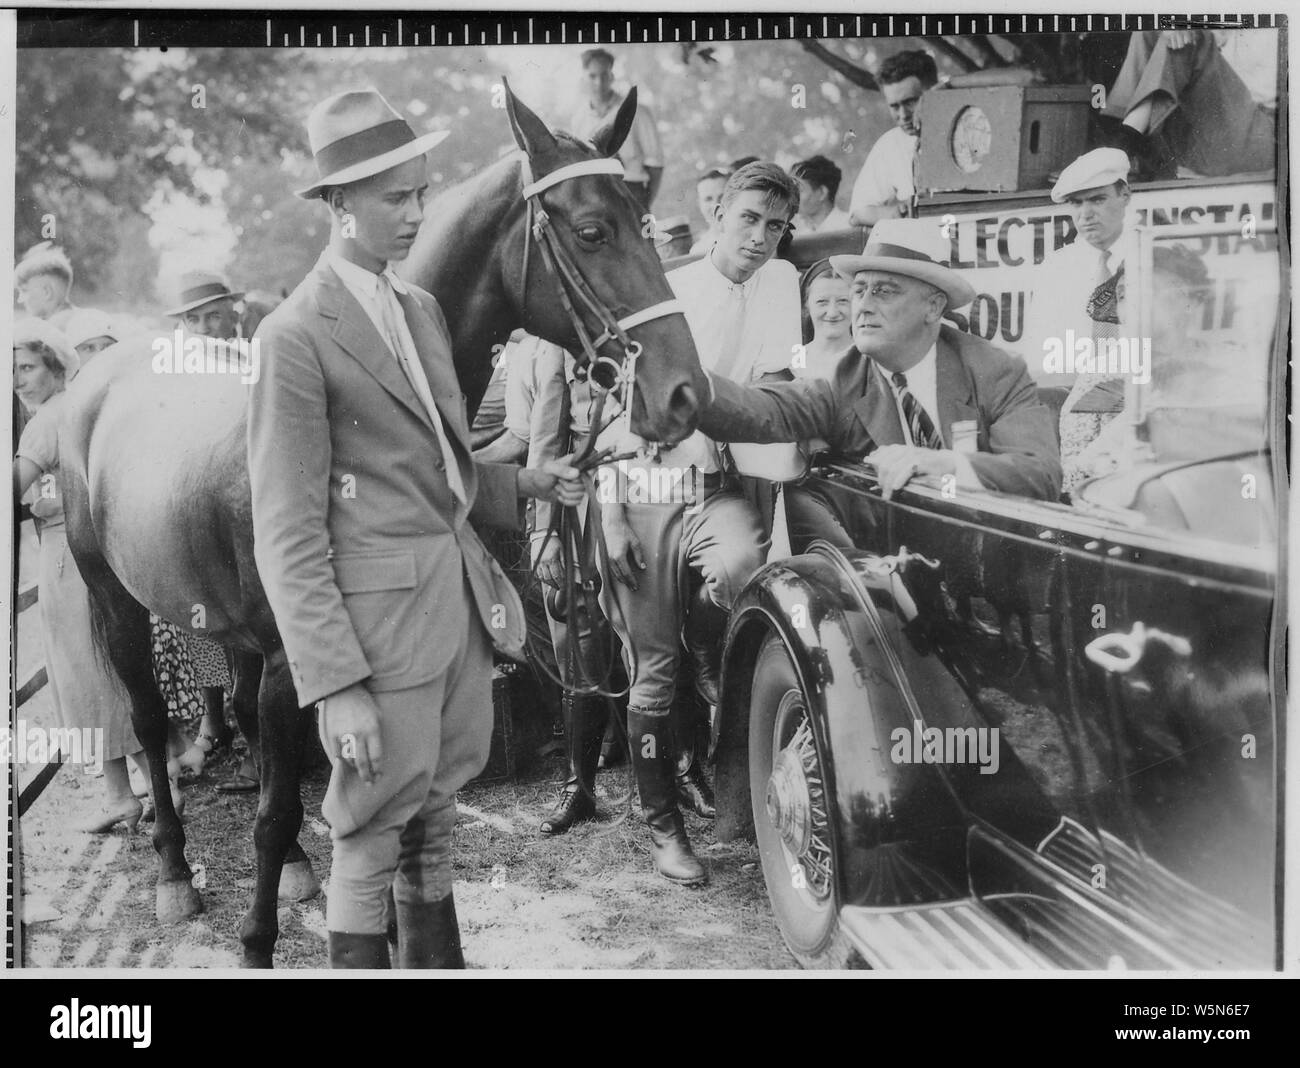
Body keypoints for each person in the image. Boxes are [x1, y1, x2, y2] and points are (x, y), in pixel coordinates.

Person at [249, 88, 584, 969]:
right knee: (367, 835)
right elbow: (285, 532)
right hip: (375, 636)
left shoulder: (420, 309)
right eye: (394, 197)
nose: (416, 213)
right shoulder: (292, 336)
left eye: (420, 192)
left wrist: (524, 483)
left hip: (452, 611)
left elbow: (435, 467)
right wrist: (335, 682)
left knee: (435, 816)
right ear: (337, 203)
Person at [596, 162, 804, 884]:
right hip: (643, 485)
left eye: (776, 226)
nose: (760, 237)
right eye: (748, 219)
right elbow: (603, 415)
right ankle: (664, 829)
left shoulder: (779, 285)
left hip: (716, 488)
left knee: (745, 583)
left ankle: (713, 753)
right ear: (719, 216)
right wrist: (610, 515)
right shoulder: (669, 289)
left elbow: (774, 393)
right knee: (655, 670)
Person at [697, 218, 1062, 503]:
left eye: (884, 291)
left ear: (933, 307)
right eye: (859, 290)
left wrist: (945, 465)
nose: (864, 305)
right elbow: (761, 409)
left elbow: (1040, 475)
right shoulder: (843, 381)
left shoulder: (995, 371)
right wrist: (684, 386)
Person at [13, 322, 156, 833]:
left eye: (28, 367)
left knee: (87, 674)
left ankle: (123, 794)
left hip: (67, 558)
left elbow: (13, 489)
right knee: (107, 671)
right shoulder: (73, 408)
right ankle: (154, 784)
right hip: (88, 555)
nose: (18, 379)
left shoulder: (45, 422)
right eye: (11, 371)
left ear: (54, 365)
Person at [163, 272, 252, 790]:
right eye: (194, 319)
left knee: (252, 622)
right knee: (204, 624)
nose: (204, 327)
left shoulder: (248, 358)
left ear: (230, 313)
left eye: (212, 315)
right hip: (197, 510)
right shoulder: (177, 373)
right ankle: (213, 722)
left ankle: (261, 734)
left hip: (243, 504)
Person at [1022, 148, 1139, 495]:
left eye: (1098, 200)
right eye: (1076, 204)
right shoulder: (1058, 268)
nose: (1086, 215)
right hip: (1071, 412)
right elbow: (1041, 363)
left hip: (1136, 411)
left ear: (1125, 195)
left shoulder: (1153, 254)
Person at [1101, 29, 1277, 179]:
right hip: (1209, 141)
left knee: (1187, 37)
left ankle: (1124, 142)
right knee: (1153, 30)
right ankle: (1122, 134)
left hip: (1260, 139)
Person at [848, 50, 938, 227]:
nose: (903, 115)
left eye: (910, 102)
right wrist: (891, 213)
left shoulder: (970, 126)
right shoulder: (891, 145)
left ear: (934, 90)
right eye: (894, 106)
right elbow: (858, 212)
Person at [567, 48, 664, 210]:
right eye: (592, 76)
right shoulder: (579, 119)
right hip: (596, 194)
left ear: (612, 76)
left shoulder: (637, 111)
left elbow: (656, 165)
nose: (599, 82)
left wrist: (644, 204)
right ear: (583, 77)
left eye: (604, 75)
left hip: (632, 189)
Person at [795, 259, 853, 382]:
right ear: (806, 305)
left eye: (843, 301)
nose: (832, 313)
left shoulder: (868, 359)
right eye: (822, 302)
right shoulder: (795, 358)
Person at [15, 244, 79, 330]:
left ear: (47, 292)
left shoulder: (50, 330)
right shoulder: (79, 317)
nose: (20, 300)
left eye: (24, 291)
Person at [790, 156, 853, 234]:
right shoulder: (798, 234)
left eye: (798, 190)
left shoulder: (850, 228)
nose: (792, 196)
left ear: (822, 192)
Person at [688, 169, 729, 254]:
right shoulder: (698, 250)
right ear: (699, 204)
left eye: (722, 197)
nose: (716, 205)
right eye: (708, 199)